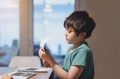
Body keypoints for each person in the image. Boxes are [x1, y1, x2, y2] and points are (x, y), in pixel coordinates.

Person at [39, 11, 96, 79]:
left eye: (70, 31)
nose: (65, 34)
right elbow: (65, 72)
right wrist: (51, 65)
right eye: (66, 30)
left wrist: (51, 60)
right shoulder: (70, 49)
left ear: (82, 34)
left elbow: (69, 77)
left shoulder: (83, 51)